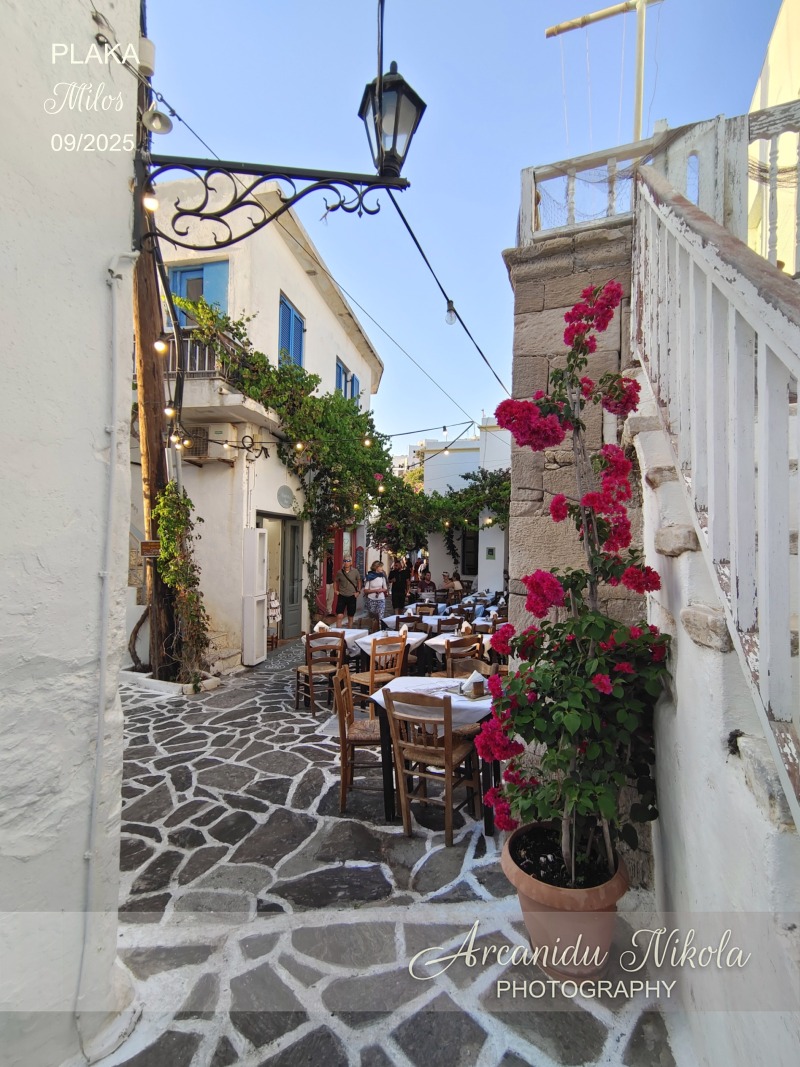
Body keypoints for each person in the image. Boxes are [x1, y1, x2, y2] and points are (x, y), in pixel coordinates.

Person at [334, 557, 361, 628]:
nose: (346, 562)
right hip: (342, 595)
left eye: (348, 561)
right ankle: (338, 632)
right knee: (339, 615)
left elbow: (359, 581)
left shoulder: (355, 571)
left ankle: (349, 630)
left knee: (350, 616)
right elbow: (335, 581)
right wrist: (335, 590)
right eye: (345, 561)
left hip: (352, 595)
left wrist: (358, 591)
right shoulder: (339, 572)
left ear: (351, 562)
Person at [363, 560, 388, 633]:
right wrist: (375, 590)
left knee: (381, 616)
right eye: (381, 567)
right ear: (376, 567)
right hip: (371, 599)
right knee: (373, 616)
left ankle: (380, 631)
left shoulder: (382, 576)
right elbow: (366, 590)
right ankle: (373, 630)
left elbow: (385, 588)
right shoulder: (370, 576)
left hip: (381, 598)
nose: (382, 568)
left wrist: (381, 590)